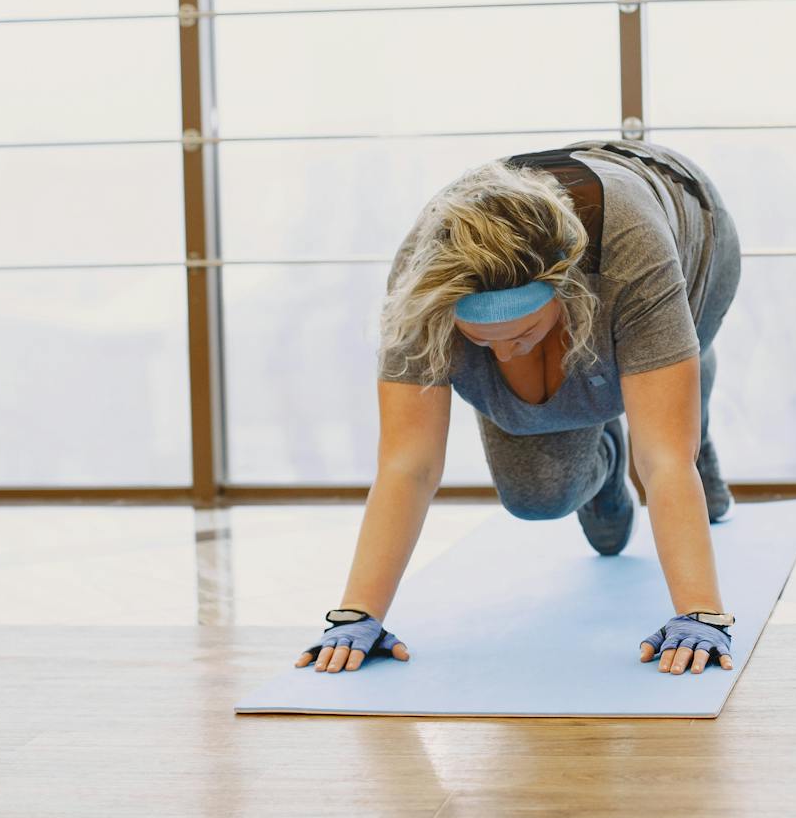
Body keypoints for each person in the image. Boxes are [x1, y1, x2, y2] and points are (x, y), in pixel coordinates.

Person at [294, 137, 743, 679]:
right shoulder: (420, 290)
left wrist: (700, 614)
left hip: (685, 230)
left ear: (565, 291)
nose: (504, 353)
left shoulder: (632, 254)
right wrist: (355, 614)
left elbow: (665, 460)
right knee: (536, 496)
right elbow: (407, 464)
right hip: (579, 304)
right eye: (484, 342)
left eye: (521, 333)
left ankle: (687, 376)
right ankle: (606, 454)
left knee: (667, 428)